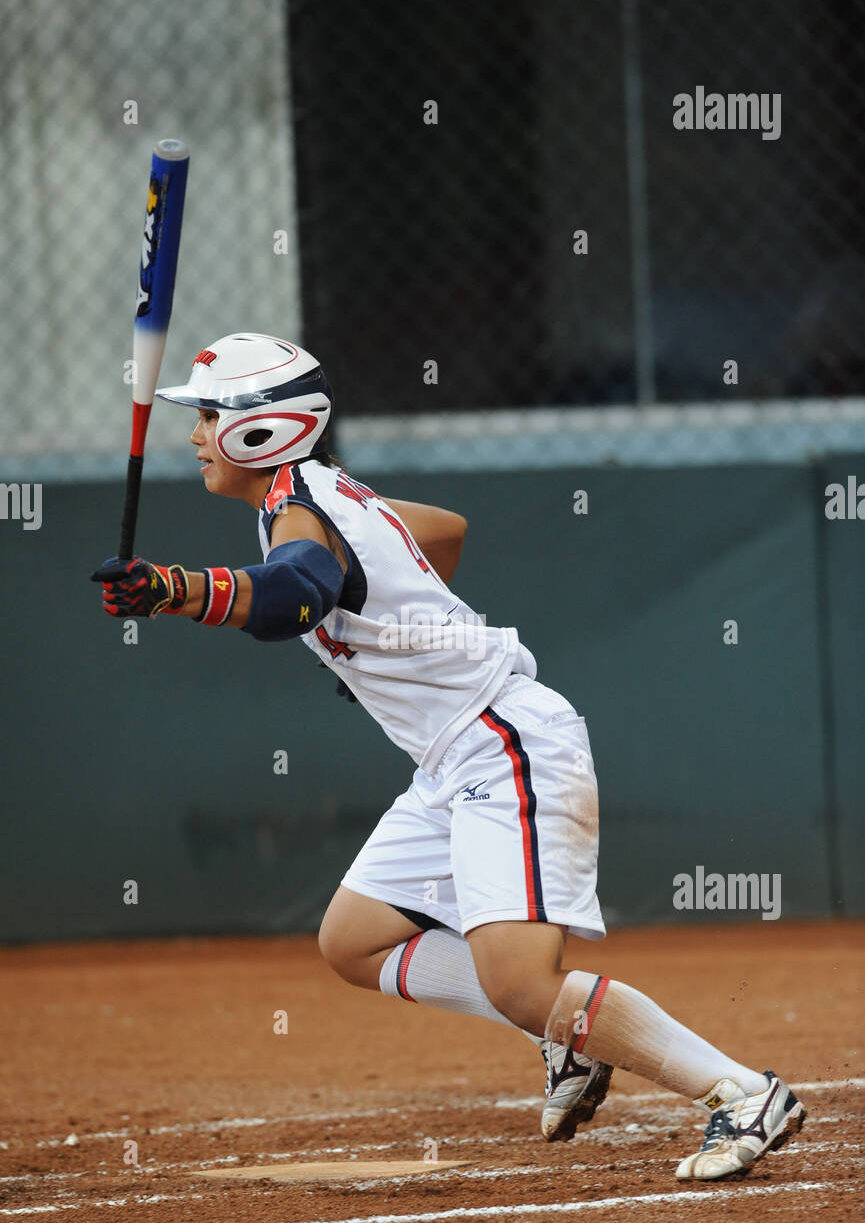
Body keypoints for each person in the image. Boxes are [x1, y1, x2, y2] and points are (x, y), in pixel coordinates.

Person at [92, 333, 806, 1179]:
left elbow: (289, 595)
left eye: (210, 416)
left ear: (266, 430)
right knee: (353, 943)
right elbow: (443, 534)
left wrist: (174, 589)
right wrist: (376, 640)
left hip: (503, 743)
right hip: (452, 758)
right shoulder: (316, 493)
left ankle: (739, 1093)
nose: (196, 433)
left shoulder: (301, 508)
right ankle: (562, 1033)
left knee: (519, 981)